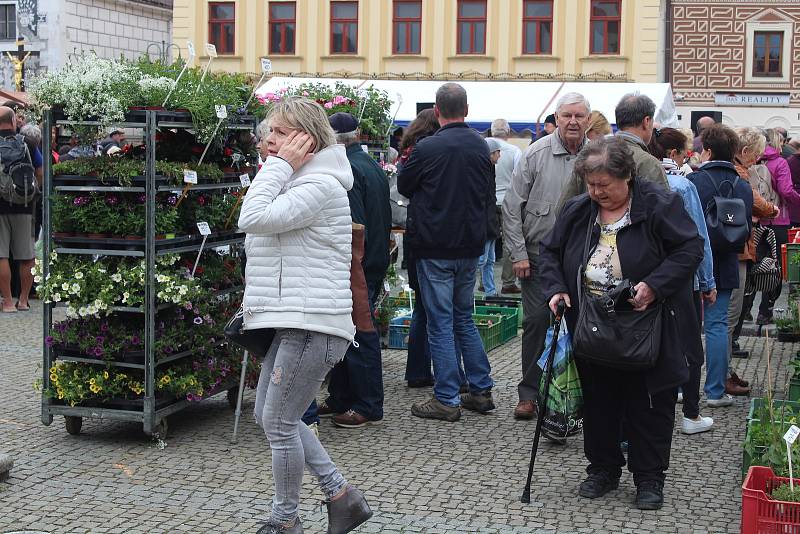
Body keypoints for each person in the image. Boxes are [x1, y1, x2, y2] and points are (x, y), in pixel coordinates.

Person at [539, 136, 703, 510]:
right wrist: (557, 288)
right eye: (591, 185)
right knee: (600, 400)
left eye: (604, 186)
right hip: (592, 323)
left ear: (626, 177)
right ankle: (603, 469)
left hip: (649, 324)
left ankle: (649, 478)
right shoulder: (579, 210)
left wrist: (654, 286)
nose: (596, 192)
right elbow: (549, 251)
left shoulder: (659, 205)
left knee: (649, 401)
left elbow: (690, 248)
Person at [238, 96, 372, 534]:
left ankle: (285, 519)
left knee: (278, 421)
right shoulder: (301, 181)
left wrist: (276, 167)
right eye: (268, 133)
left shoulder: (320, 185)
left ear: (306, 139)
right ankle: (342, 496)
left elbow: (252, 217)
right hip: (296, 319)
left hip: (313, 323)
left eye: (279, 132)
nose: (268, 141)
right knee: (272, 416)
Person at [397, 82, 496, 422]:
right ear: (466, 110)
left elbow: (403, 185)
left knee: (440, 323)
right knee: (463, 318)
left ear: (436, 111)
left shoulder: (427, 148)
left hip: (435, 244)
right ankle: (481, 389)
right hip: (470, 244)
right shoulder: (481, 147)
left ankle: (447, 397)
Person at [502, 92, 590, 420]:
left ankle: (577, 394)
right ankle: (529, 393)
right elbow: (512, 208)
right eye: (567, 115)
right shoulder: (536, 153)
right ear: (557, 117)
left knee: (583, 326)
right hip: (538, 257)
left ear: (587, 120)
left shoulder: (597, 154)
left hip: (583, 259)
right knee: (537, 322)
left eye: (579, 116)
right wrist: (518, 254)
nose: (572, 121)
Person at [319, 112, 389, 429]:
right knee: (348, 333)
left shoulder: (347, 170)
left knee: (359, 334)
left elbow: (353, 227)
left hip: (357, 264)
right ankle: (341, 396)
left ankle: (367, 404)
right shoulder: (369, 163)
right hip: (372, 258)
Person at [648, 127, 717, 434]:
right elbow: (697, 238)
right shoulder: (681, 185)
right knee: (690, 347)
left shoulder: (639, 180)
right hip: (681, 280)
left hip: (646, 278)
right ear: (674, 153)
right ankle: (690, 414)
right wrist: (707, 281)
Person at [687, 123, 754, 408]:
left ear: (708, 150)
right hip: (725, 261)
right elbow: (747, 229)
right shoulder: (744, 186)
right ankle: (715, 392)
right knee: (717, 327)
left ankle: (681, 388)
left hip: (692, 262)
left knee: (687, 328)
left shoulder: (695, 182)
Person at [558, 94, 668, 209]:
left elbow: (562, 210)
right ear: (646, 121)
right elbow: (664, 215)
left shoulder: (589, 155)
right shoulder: (648, 164)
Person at [397, 109, 441, 389]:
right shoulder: (429, 153)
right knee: (430, 310)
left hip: (416, 235)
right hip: (429, 236)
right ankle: (420, 371)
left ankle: (417, 370)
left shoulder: (408, 153)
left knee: (422, 310)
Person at [730, 128, 779, 366]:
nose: (757, 159)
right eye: (755, 154)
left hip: (734, 244)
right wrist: (772, 209)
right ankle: (722, 371)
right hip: (738, 246)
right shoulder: (739, 173)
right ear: (745, 151)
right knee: (732, 307)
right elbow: (756, 203)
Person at [755, 128, 800, 325]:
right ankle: (766, 311)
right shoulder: (780, 163)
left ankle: (746, 309)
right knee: (774, 269)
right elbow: (785, 190)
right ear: (778, 142)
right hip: (778, 221)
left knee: (754, 266)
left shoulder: (754, 160)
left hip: (756, 221)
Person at [0, 107, 41, 313]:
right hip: (24, 204)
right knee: (26, 255)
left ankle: (7, 302)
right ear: (14, 121)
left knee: (1, 256)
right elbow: (40, 171)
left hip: (0, 206)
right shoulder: (27, 143)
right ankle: (24, 300)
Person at [486, 118, 522, 295]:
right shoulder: (515, 150)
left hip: (488, 201)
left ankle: (485, 282)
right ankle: (508, 282)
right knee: (510, 242)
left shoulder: (484, 146)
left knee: (487, 242)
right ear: (508, 132)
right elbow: (519, 177)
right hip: (508, 201)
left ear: (492, 132)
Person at [477, 138, 502, 296]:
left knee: (489, 260)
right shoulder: (484, 170)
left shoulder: (489, 169)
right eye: (498, 152)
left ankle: (491, 291)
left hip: (489, 220)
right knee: (481, 260)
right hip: (485, 222)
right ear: (491, 153)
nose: (500, 155)